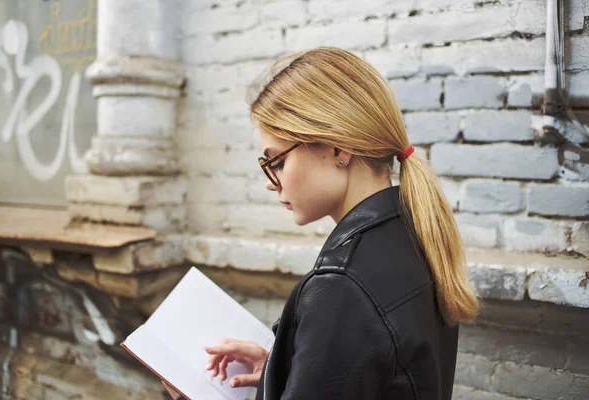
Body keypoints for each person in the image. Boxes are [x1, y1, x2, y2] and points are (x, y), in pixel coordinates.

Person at [165, 47, 479, 400]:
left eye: (277, 162)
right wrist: (283, 369)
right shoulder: (414, 232)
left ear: (338, 150)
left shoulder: (342, 288)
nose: (271, 181)